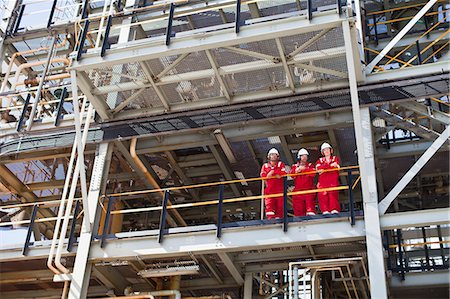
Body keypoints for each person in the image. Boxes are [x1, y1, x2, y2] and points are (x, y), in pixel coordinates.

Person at [260, 148, 286, 219]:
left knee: (280, 208)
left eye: (275, 155)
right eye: (272, 155)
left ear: (278, 156)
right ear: (269, 156)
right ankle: (270, 222)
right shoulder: (265, 166)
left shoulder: (281, 164)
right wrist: (274, 173)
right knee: (269, 208)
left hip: (280, 191)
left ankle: (279, 221)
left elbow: (283, 173)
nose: (273, 156)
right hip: (269, 191)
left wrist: (272, 173)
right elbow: (263, 176)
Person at [315, 142, 341, 214]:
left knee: (333, 195)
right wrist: (330, 166)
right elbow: (318, 169)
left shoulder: (335, 158)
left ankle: (334, 209)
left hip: (333, 182)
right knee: (323, 196)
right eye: (324, 150)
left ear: (331, 150)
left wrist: (324, 168)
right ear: (322, 152)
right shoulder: (319, 160)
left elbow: (337, 168)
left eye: (327, 149)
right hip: (323, 183)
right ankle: (325, 210)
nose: (326, 151)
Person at [290, 148, 316, 216]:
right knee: (299, 210)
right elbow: (291, 175)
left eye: (306, 156)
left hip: (309, 189)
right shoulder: (295, 166)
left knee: (310, 209)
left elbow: (313, 173)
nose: (304, 157)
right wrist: (297, 170)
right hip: (298, 191)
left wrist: (304, 169)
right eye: (303, 156)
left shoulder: (310, 165)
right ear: (299, 157)